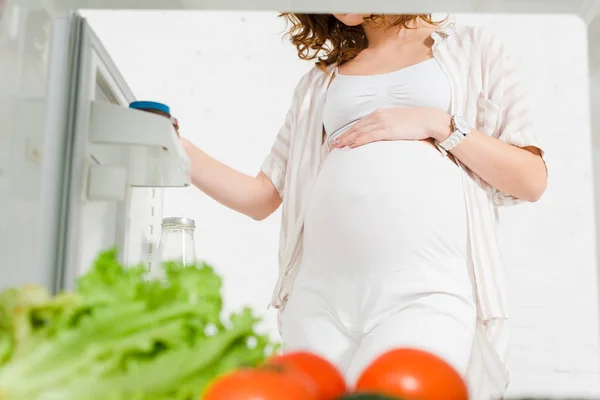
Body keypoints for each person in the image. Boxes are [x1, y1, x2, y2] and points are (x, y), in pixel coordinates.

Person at [180, 13, 547, 399]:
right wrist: (175, 148)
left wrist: (437, 123)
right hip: (319, 297)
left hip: (426, 290)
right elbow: (260, 198)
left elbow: (530, 180)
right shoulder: (319, 82)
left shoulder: (474, 49)